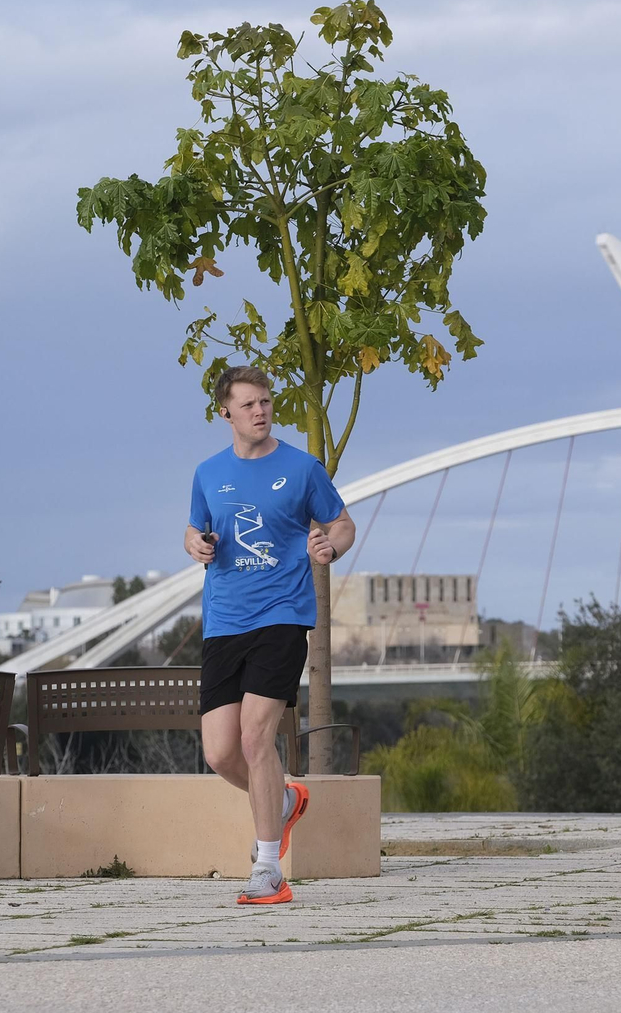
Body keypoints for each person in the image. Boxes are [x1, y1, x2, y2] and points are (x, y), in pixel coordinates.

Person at [184, 365, 355, 906]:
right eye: (249, 404)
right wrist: (194, 544)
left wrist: (330, 546)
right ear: (225, 413)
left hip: (282, 615)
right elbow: (194, 527)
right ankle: (282, 801)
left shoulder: (302, 469)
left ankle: (268, 870)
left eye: (265, 401)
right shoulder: (208, 473)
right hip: (224, 621)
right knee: (220, 753)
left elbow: (342, 523)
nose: (261, 411)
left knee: (256, 738)